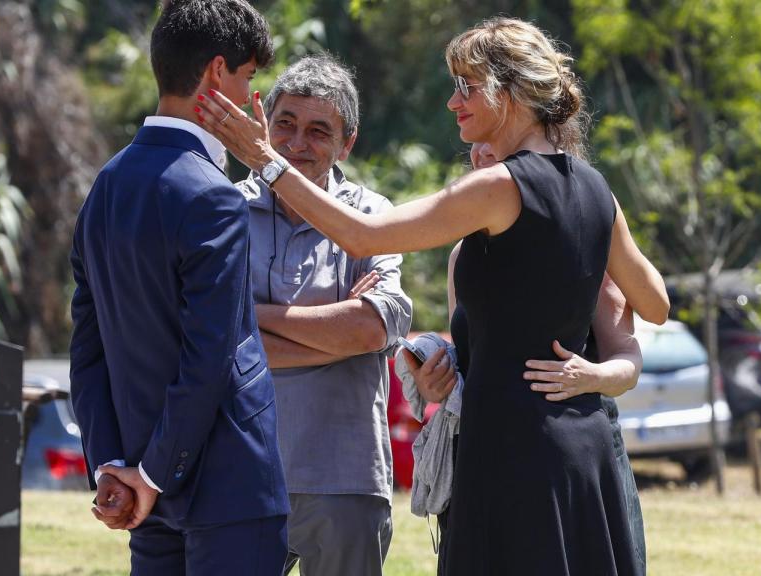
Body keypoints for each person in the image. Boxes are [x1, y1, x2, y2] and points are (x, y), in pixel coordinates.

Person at [198, 15, 669, 575]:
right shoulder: (595, 188)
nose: (453, 102)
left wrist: (266, 162)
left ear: (511, 91)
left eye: (467, 86)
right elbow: (657, 303)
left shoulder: (499, 186)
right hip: (584, 451)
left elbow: (363, 234)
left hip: (511, 450)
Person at [68, 1, 289, 573]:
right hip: (227, 487)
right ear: (217, 73)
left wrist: (115, 465)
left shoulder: (104, 188)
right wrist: (152, 473)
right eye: (247, 78)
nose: (248, 99)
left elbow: (87, 350)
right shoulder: (213, 196)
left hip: (146, 489)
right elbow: (209, 355)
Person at [407, 142, 649, 574]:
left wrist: (592, 375)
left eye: (493, 145)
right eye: (473, 148)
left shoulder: (579, 235)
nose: (480, 153)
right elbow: (473, 362)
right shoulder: (462, 256)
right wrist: (435, 383)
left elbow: (629, 358)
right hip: (486, 454)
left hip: (568, 457)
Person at [237, 55, 412, 575]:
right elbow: (204, 339)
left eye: (319, 131)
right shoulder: (223, 209)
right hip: (240, 471)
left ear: (347, 143)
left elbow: (370, 328)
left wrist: (250, 313)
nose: (295, 143)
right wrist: (331, 331)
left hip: (346, 472)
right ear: (264, 124)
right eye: (285, 124)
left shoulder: (372, 216)